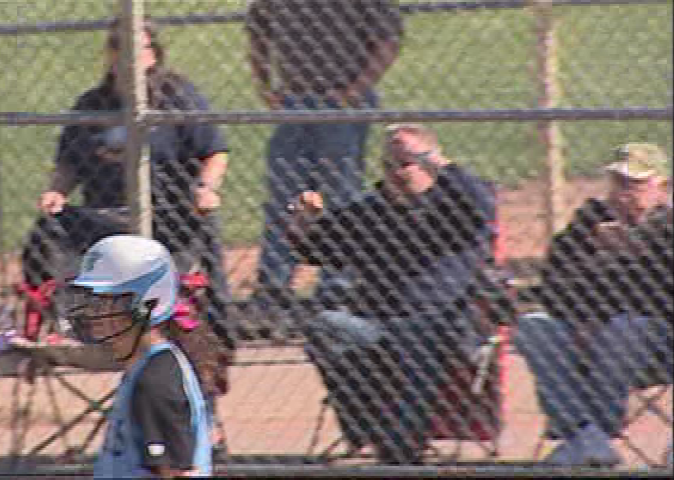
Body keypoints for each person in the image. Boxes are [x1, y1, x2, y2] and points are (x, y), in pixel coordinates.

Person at [287, 124, 496, 463]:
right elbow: (318, 251)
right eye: (388, 164)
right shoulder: (371, 211)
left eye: (405, 163)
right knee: (325, 327)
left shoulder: (456, 208)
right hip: (375, 324)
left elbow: (485, 208)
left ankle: (401, 446)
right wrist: (303, 223)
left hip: (441, 325)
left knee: (412, 338)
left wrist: (438, 162)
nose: (395, 173)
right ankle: (369, 432)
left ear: (429, 162)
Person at [37, 18, 234, 351]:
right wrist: (56, 192)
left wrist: (206, 188)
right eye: (121, 49)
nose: (130, 58)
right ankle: (63, 321)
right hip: (106, 219)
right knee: (48, 227)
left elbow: (214, 152)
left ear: (153, 54)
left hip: (170, 215)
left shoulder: (177, 96)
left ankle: (217, 328)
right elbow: (68, 164)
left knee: (206, 221)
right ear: (111, 55)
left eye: (139, 49)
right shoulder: (91, 104)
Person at [513, 143, 673, 466]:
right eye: (617, 182)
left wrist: (633, 250)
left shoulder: (669, 228)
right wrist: (588, 313)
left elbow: (662, 295)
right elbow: (554, 284)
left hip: (658, 343)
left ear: (663, 187)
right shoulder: (590, 220)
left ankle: (595, 432)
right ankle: (582, 434)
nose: (623, 193)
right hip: (586, 330)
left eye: (635, 183)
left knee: (626, 327)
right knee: (534, 326)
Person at [246, 0, 404, 317]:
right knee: (283, 195)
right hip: (295, 101)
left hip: (343, 102)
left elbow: (389, 41)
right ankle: (275, 288)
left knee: (341, 195)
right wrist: (265, 85)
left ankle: (337, 286)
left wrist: (354, 91)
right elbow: (257, 32)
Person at [63, 235, 212, 478]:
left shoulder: (155, 382)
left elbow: (177, 474)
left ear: (146, 304)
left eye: (105, 302)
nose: (92, 314)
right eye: (92, 302)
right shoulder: (142, 370)